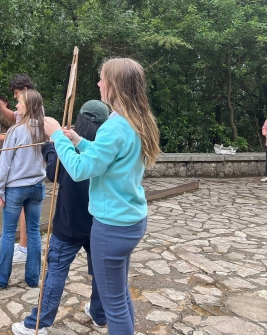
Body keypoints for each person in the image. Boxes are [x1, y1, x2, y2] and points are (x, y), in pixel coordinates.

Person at [43, 58, 160, 335]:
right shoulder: (134, 121)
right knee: (120, 297)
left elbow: (81, 169)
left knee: (115, 306)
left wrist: (57, 136)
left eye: (102, 79)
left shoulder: (113, 125)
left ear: (114, 85)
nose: (98, 83)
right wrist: (79, 141)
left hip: (112, 227)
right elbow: (109, 155)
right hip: (131, 221)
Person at [12, 100, 110, 335]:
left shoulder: (73, 147)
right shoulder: (106, 148)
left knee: (55, 271)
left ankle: (37, 324)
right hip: (99, 222)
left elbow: (53, 172)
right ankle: (99, 314)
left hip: (69, 223)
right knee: (100, 271)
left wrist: (50, 146)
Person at [0, 89, 47, 289]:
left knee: (8, 233)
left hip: (16, 188)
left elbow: (5, 164)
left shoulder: (16, 131)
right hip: (37, 187)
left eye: (20, 103)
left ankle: (1, 278)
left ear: (29, 107)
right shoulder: (45, 130)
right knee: (34, 231)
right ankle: (32, 278)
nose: (17, 106)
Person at [0, 74, 36, 263]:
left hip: (24, 168)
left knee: (22, 210)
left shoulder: (33, 106)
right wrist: (0, 106)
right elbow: (15, 118)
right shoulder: (27, 107)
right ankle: (25, 247)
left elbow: (19, 135)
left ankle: (23, 248)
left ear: (24, 89)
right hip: (26, 170)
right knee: (25, 210)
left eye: (16, 94)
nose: (15, 100)